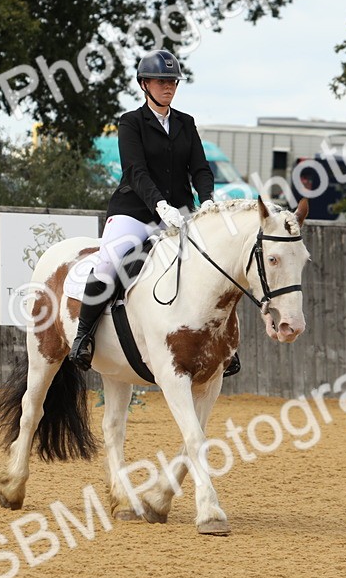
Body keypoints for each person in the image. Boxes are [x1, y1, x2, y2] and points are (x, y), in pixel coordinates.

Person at [68, 49, 239, 377]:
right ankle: (84, 336)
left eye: (173, 81)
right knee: (109, 262)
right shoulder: (131, 122)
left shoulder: (186, 124)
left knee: (215, 268)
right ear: (144, 84)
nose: (168, 87)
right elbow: (135, 170)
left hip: (182, 213)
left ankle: (226, 346)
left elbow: (201, 168)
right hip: (134, 210)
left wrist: (205, 202)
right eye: (161, 81)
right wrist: (161, 206)